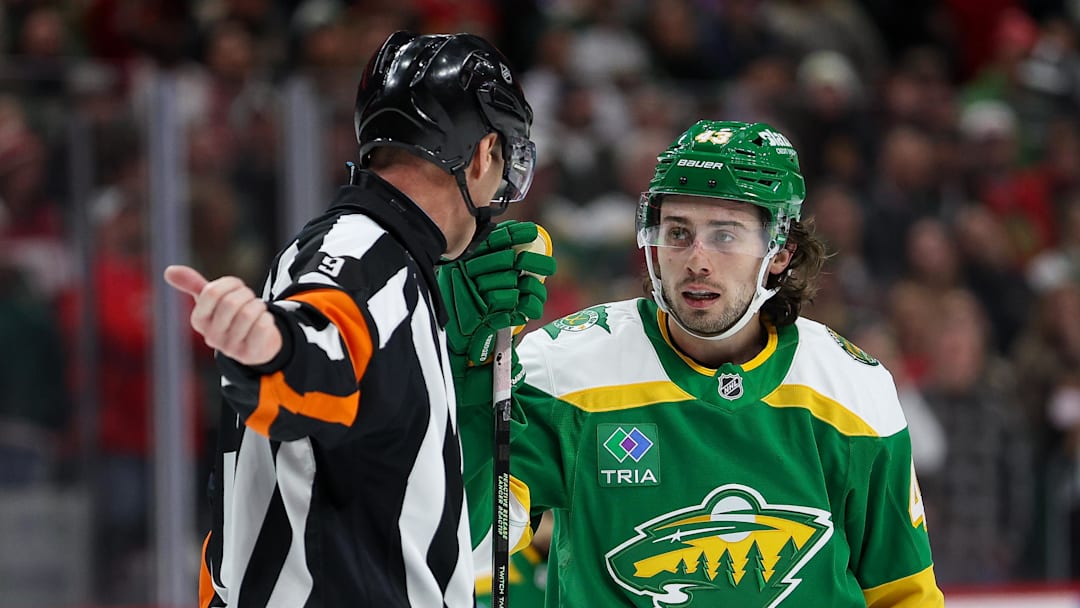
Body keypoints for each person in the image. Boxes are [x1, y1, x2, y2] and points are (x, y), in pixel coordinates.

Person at [445, 120, 945, 606]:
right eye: (678, 232)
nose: (696, 260)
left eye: (725, 236)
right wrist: (465, 390)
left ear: (779, 251)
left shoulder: (853, 390)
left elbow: (904, 593)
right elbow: (475, 539)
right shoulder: (564, 368)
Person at [164, 31, 554, 607]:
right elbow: (315, 348)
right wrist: (272, 350)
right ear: (484, 155)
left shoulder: (394, 265)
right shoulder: (363, 254)